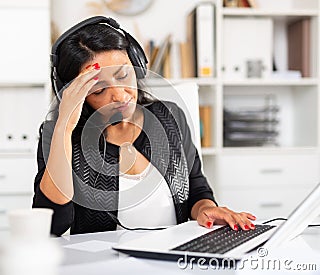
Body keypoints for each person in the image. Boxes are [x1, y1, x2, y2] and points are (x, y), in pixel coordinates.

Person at [32, 16, 256, 236]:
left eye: (123, 75)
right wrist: (64, 125)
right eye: (98, 89)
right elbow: (53, 226)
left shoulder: (170, 116)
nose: (119, 95)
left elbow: (197, 189)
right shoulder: (59, 135)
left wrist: (206, 210)